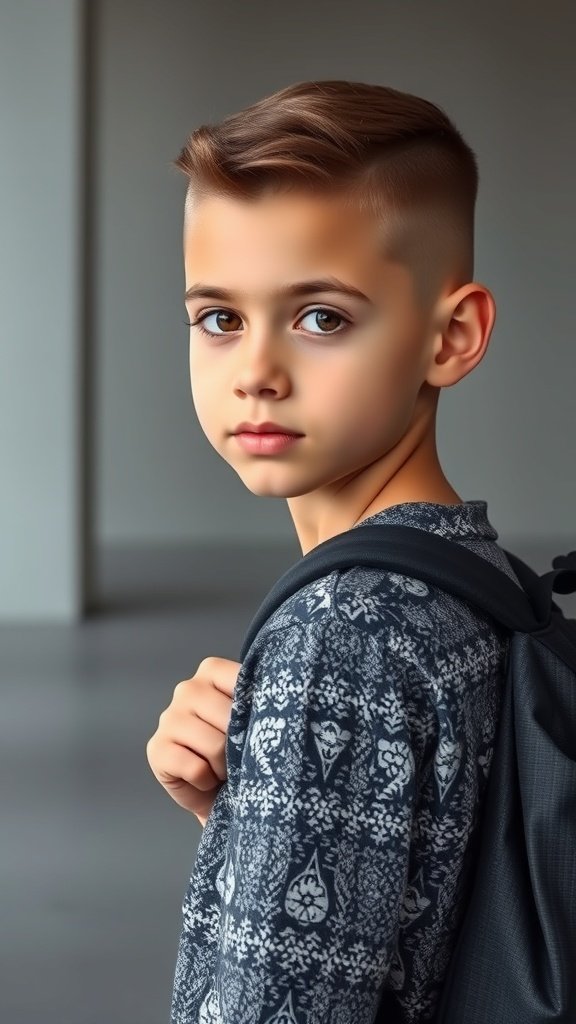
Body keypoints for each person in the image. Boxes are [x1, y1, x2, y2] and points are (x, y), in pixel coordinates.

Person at [146, 79, 523, 1024]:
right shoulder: (481, 580)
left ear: (453, 335)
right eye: (219, 318)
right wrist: (258, 813)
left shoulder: (341, 635)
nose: (257, 374)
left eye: (322, 317)